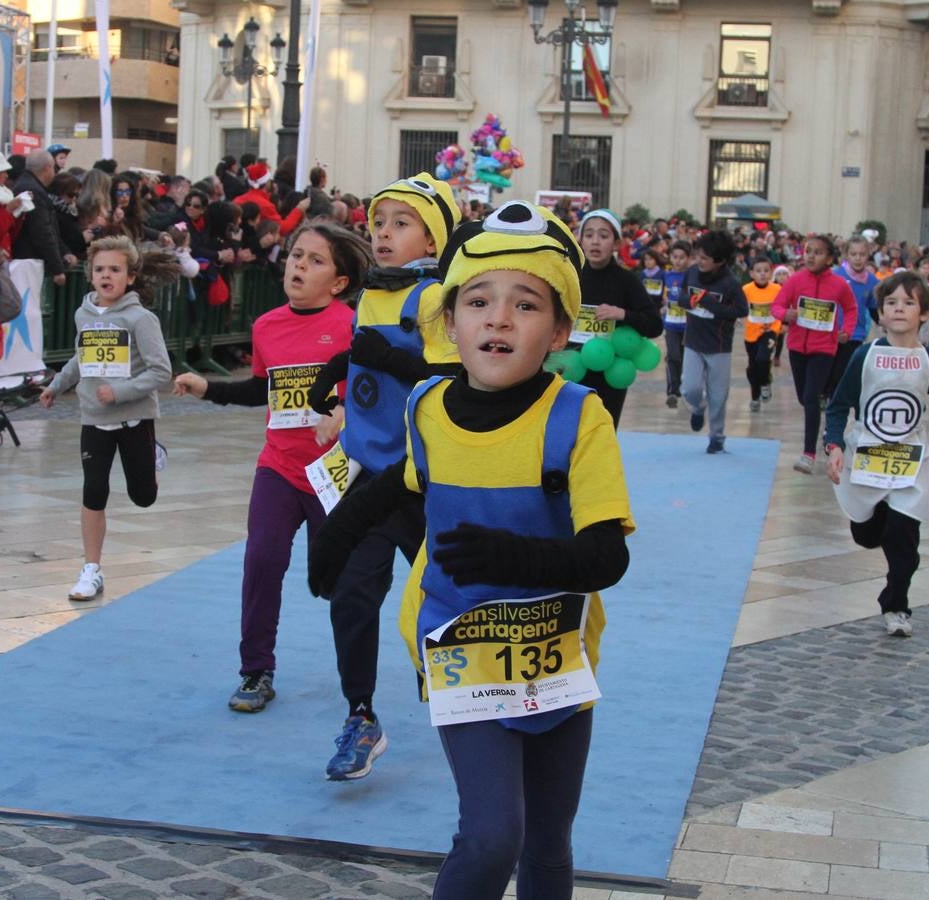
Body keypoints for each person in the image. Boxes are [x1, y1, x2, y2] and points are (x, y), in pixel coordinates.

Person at [306, 200, 633, 900]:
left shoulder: (579, 417)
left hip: (558, 655)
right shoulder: (426, 405)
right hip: (460, 647)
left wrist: (518, 559)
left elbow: (607, 557)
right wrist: (335, 541)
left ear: (561, 331)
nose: (499, 318)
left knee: (548, 843)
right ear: (449, 324)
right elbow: (399, 481)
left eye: (526, 304)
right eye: (478, 301)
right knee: (491, 836)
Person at [297, 174, 463, 778]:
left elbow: (445, 376)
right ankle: (360, 716)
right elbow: (363, 361)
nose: (384, 232)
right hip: (368, 477)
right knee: (352, 593)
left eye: (401, 223)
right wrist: (331, 378)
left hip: (422, 480)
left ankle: (471, 707)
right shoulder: (372, 293)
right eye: (380, 221)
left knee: (447, 599)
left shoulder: (436, 297)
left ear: (431, 238)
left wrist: (380, 357)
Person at [171, 222, 370, 711]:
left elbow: (373, 391)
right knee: (261, 562)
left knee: (342, 584)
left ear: (339, 282)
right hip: (278, 467)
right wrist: (209, 388)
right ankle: (256, 671)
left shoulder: (353, 325)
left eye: (314, 260)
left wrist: (344, 411)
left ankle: (358, 690)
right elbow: (262, 389)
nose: (298, 265)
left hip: (334, 477)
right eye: (295, 255)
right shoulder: (266, 326)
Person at [824, 271, 929, 637]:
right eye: (891, 303)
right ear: (881, 314)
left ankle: (896, 605)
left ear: (924, 314)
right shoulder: (864, 357)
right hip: (866, 459)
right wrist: (834, 446)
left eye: (909, 302)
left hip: (910, 464)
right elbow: (838, 406)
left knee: (905, 541)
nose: (899, 309)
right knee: (867, 536)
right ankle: (880, 516)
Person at [39, 237, 176, 600]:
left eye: (115, 270)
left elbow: (161, 372)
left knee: (142, 496)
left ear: (130, 277)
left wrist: (122, 391)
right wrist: (57, 385)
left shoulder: (141, 319)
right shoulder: (83, 314)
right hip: (94, 417)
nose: (106, 276)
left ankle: (152, 457)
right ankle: (91, 569)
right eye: (100, 269)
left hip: (134, 418)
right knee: (94, 489)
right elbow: (80, 356)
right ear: (90, 275)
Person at [770, 234, 859, 473]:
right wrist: (784, 315)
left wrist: (847, 331)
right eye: (808, 251)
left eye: (818, 252)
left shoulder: (839, 284)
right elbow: (776, 305)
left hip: (824, 349)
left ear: (830, 258)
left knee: (809, 397)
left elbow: (851, 308)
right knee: (804, 397)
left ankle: (808, 454)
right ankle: (819, 403)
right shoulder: (796, 281)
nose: (811, 256)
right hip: (797, 348)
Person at [571, 208, 663, 427]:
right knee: (568, 439)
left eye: (603, 236)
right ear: (580, 240)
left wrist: (622, 314)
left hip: (610, 375)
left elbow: (654, 325)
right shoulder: (570, 275)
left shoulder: (626, 281)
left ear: (616, 244)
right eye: (589, 234)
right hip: (571, 369)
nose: (595, 242)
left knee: (602, 439)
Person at [681, 230, 747, 452]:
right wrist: (689, 301)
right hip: (692, 342)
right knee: (690, 388)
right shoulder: (691, 273)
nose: (699, 261)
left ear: (719, 261)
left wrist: (711, 304)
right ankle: (698, 409)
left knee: (718, 396)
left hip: (719, 347)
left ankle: (716, 437)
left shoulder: (730, 283)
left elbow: (741, 309)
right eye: (698, 256)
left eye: (704, 258)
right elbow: (680, 297)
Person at [829, 235, 879, 399]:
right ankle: (827, 393)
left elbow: (874, 308)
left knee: (844, 370)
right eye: (854, 254)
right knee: (829, 368)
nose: (858, 258)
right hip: (830, 333)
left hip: (855, 334)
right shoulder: (834, 276)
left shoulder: (872, 281)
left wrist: (887, 324)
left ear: (868, 255)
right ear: (846, 254)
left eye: (862, 254)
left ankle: (837, 400)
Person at [11, 150, 72, 285]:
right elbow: (42, 231)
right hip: (28, 262)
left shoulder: (23, 185)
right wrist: (57, 268)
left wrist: (63, 251)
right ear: (48, 168)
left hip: (23, 259)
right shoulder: (35, 192)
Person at [742, 255, 782, 412]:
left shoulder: (777, 289)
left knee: (763, 358)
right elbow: (739, 306)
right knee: (753, 367)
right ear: (751, 273)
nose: (763, 274)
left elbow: (782, 307)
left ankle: (765, 382)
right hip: (751, 333)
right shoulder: (746, 289)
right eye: (758, 271)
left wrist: (782, 324)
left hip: (770, 330)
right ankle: (754, 397)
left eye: (766, 270)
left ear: (771, 273)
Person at [661, 240, 691, 407]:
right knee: (673, 356)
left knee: (686, 359)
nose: (678, 260)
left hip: (689, 327)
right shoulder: (666, 276)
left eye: (682, 257)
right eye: (675, 257)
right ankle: (672, 391)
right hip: (671, 325)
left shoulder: (692, 276)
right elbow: (663, 296)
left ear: (688, 258)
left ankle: (686, 389)